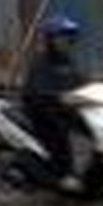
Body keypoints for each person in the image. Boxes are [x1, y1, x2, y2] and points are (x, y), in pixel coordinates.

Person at [22, 15, 87, 190]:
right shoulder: (41, 63)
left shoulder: (70, 63)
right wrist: (57, 96)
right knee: (60, 131)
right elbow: (37, 89)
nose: (65, 42)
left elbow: (83, 83)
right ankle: (63, 175)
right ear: (50, 39)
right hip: (42, 111)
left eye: (68, 38)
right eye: (61, 37)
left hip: (66, 110)